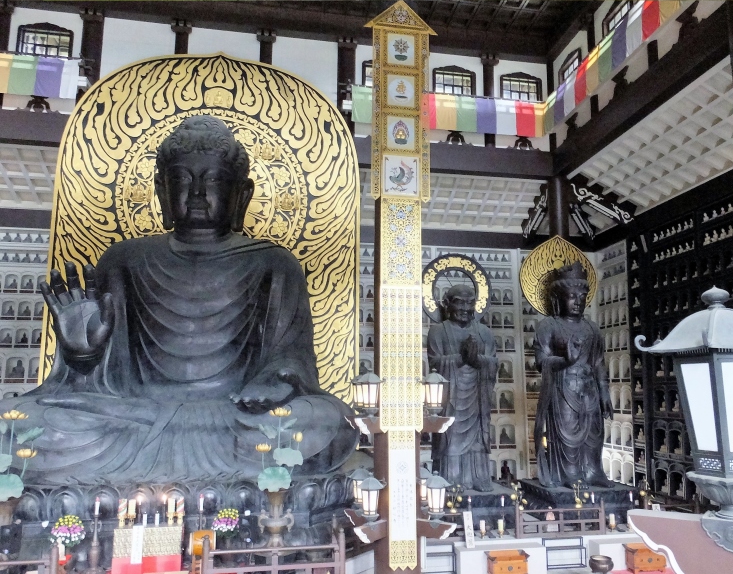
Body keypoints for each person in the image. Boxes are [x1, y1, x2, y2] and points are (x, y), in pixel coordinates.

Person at [19, 115, 357, 485]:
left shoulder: (273, 263)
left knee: (328, 421)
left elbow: (291, 357)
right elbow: (103, 383)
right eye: (181, 179)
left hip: (233, 418)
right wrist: (83, 357)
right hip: (136, 412)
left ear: (242, 194)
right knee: (21, 422)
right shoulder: (125, 259)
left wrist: (277, 379)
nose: (196, 193)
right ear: (162, 191)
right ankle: (239, 486)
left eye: (213, 180)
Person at [532, 262, 611, 487]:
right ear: (558, 298)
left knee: (594, 435)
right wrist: (566, 361)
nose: (578, 301)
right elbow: (541, 361)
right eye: (571, 296)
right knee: (569, 436)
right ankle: (570, 475)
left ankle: (594, 471)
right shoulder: (548, 326)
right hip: (563, 387)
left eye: (582, 296)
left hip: (590, 388)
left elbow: (598, 362)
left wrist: (604, 392)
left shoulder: (592, 328)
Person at [427, 282, 498, 491]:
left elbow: (493, 363)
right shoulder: (438, 331)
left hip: (477, 395)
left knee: (478, 440)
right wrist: (461, 358)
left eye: (470, 303)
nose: (466, 308)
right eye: (460, 303)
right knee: (450, 437)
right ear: (447, 304)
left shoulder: (484, 332)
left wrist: (477, 360)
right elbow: (434, 365)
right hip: (451, 396)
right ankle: (452, 479)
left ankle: (479, 477)